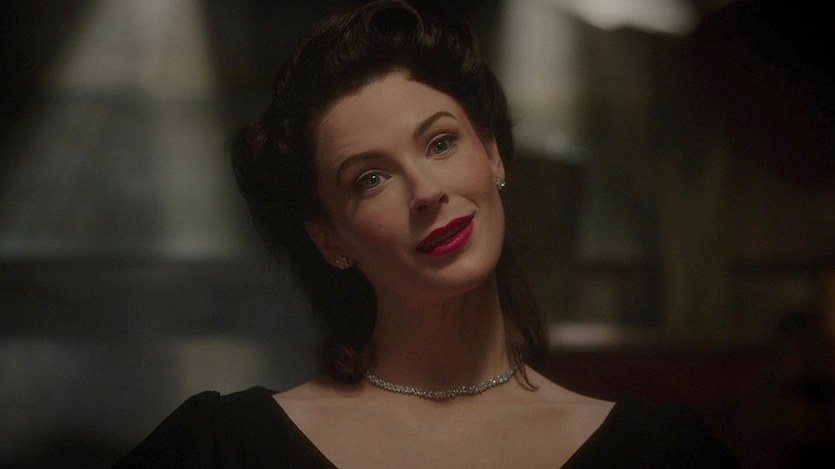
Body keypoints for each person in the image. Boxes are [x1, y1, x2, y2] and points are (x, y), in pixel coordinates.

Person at [114, 1, 740, 467]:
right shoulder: (226, 447)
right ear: (330, 238)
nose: (425, 191)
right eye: (370, 179)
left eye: (440, 143)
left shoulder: (661, 452)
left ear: (492, 155)